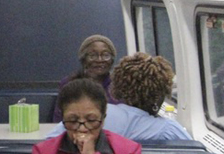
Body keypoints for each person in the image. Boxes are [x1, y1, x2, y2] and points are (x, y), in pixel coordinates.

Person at [22, 78, 153, 154]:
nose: (82, 128)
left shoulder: (128, 150)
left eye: (91, 120)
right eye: (73, 121)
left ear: (103, 118)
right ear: (62, 119)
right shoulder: (44, 153)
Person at [47, 53, 192, 141]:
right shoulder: (168, 131)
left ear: (116, 88)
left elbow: (48, 144)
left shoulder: (92, 117)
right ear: (160, 96)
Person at [52, 34, 120, 122]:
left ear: (112, 60)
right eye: (93, 55)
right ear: (83, 60)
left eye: (106, 55)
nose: (99, 60)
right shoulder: (69, 84)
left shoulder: (119, 85)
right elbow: (59, 119)